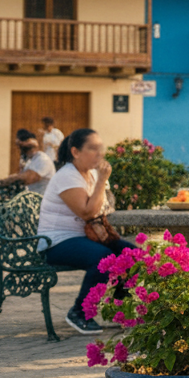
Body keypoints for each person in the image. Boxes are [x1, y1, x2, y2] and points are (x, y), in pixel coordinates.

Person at [37, 129, 134, 334]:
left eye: (101, 149)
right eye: (92, 149)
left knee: (132, 255)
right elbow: (87, 212)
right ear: (75, 152)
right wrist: (101, 181)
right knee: (104, 258)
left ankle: (122, 309)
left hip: (83, 238)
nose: (99, 154)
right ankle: (79, 312)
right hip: (56, 242)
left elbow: (105, 207)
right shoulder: (67, 176)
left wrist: (102, 183)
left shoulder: (91, 174)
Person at [1, 130, 56, 194]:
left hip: (42, 199)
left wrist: (10, 179)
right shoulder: (30, 161)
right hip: (33, 197)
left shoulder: (42, 159)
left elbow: (29, 179)